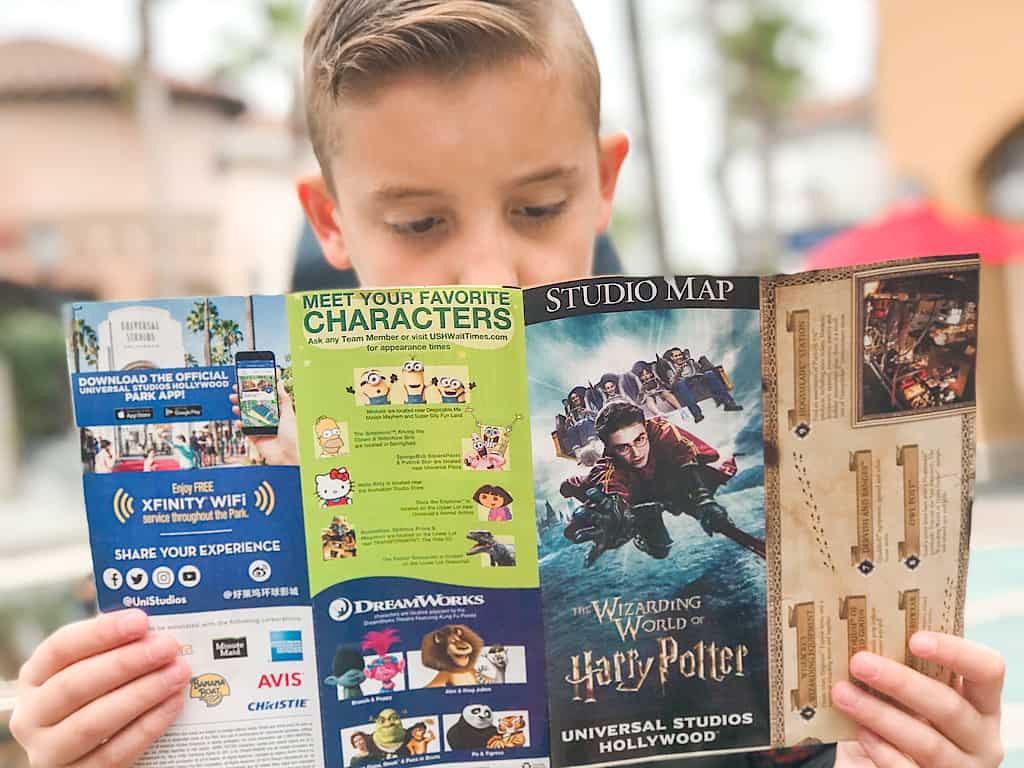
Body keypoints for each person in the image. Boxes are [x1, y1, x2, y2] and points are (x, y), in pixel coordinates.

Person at [9, 2, 1005, 767]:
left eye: (536, 206)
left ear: (604, 180)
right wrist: (101, 738)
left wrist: (902, 745)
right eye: (419, 223)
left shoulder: (654, 422)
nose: (489, 269)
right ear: (330, 219)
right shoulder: (218, 532)